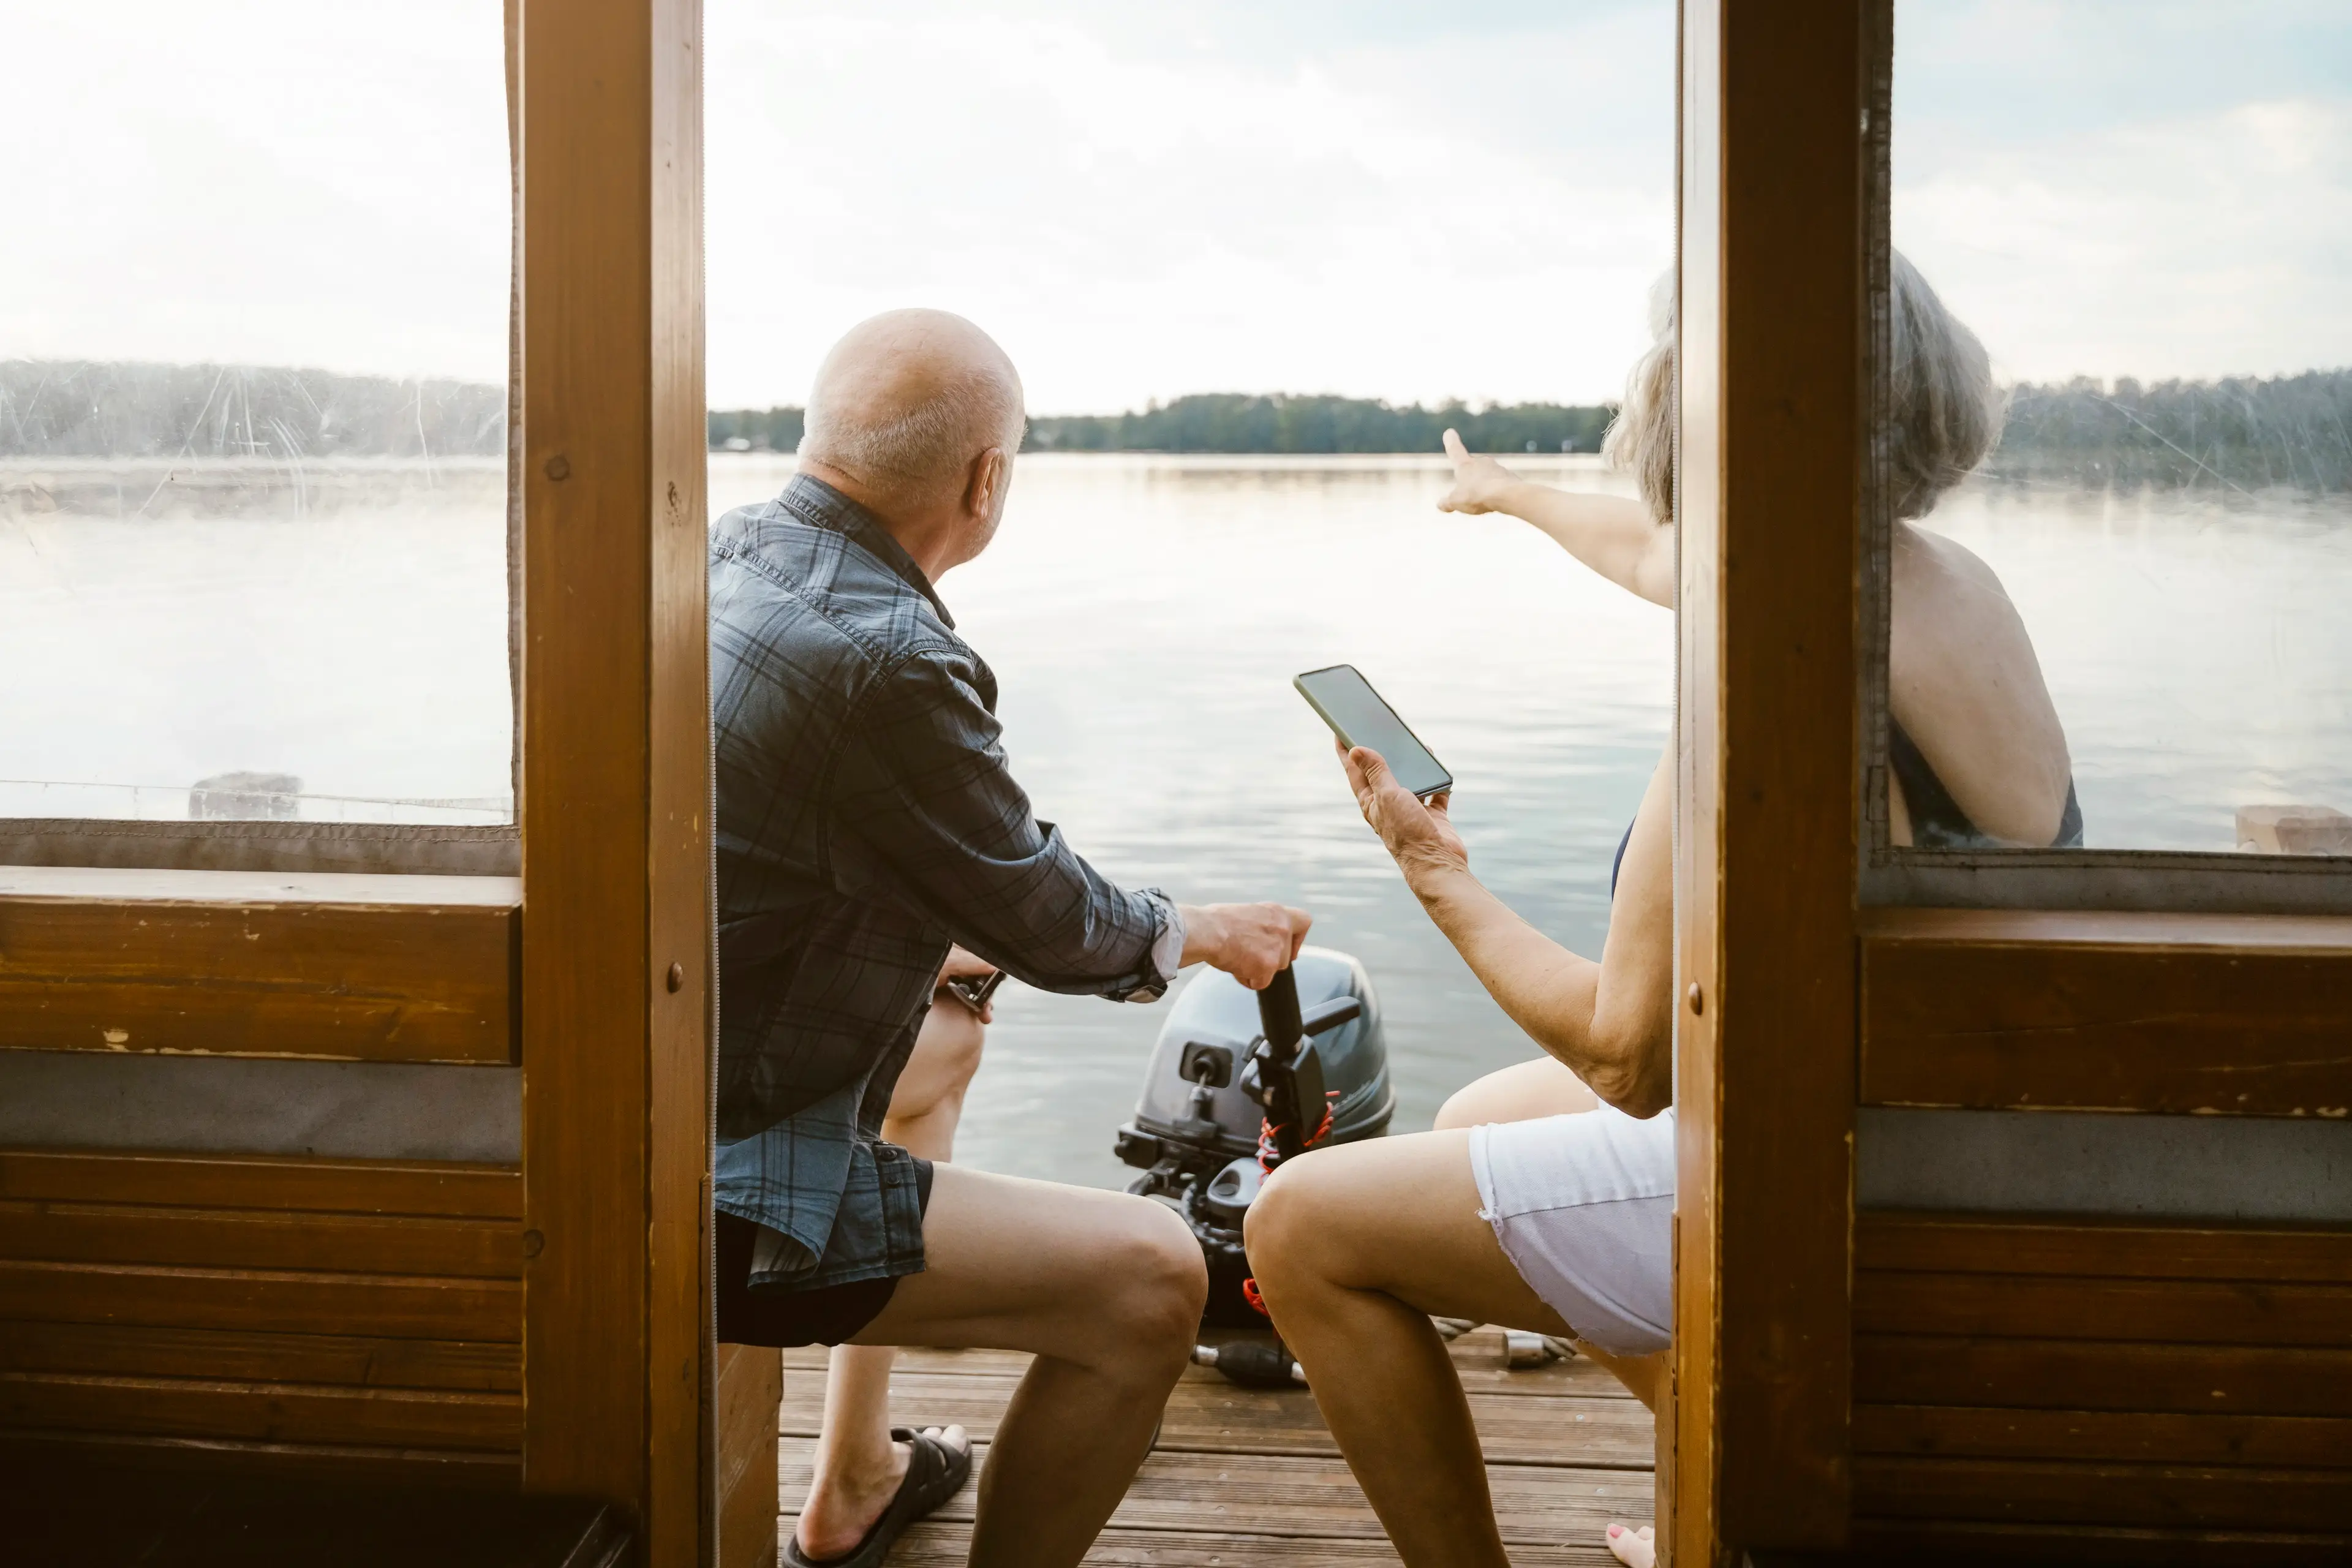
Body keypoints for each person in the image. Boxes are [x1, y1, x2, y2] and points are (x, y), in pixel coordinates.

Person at [1242, 256, 2076, 1568]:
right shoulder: (1939, 583)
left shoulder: (1764, 669)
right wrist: (1508, 493)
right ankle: (1721, 1492)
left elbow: (1626, 1057)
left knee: (1298, 1225)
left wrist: (1437, 872)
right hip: (1950, 1133)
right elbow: (1649, 548)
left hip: (1827, 1191)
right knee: (1478, 1117)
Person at [709, 307, 1313, 1568]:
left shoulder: (723, 554)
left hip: (641, 1085)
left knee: (941, 1042)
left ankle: (857, 1473)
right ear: (987, 480)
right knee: (1152, 1277)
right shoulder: (888, 657)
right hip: (713, 1182)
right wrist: (1199, 930)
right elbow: (1055, 919)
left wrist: (946, 946)